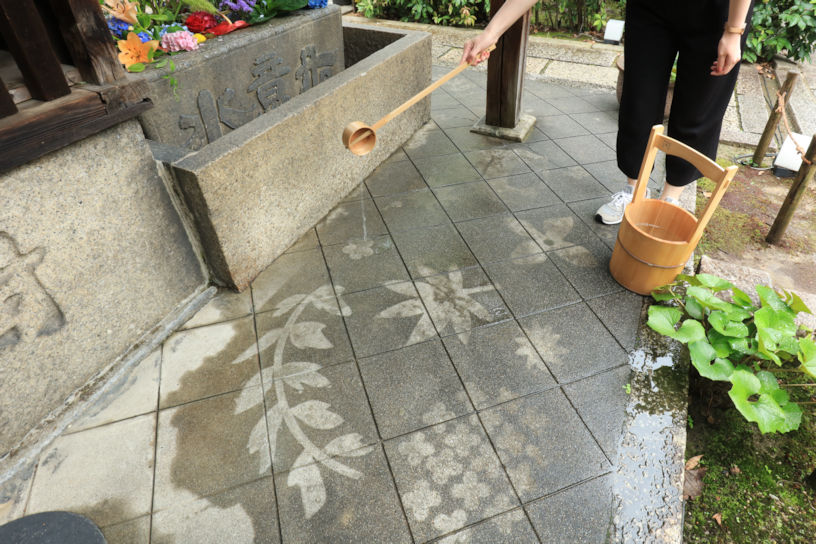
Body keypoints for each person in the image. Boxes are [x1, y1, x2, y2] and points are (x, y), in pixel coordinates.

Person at [462, 0, 754, 225]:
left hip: (719, 13)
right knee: (639, 101)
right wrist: (491, 33)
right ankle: (633, 192)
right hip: (651, 9)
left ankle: (670, 199)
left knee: (698, 109)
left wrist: (734, 31)